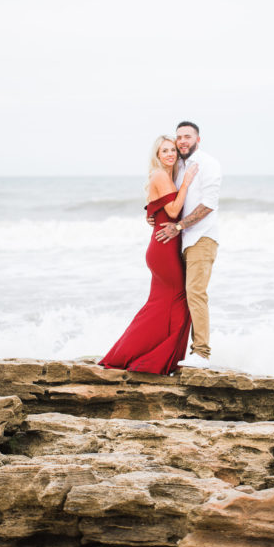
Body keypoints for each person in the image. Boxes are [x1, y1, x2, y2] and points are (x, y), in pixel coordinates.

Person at [99, 135, 198, 373]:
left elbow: (157, 208)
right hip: (163, 248)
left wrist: (152, 214)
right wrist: (186, 183)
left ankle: (155, 357)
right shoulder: (161, 175)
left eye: (173, 150)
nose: (170, 154)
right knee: (177, 302)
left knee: (165, 304)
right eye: (164, 150)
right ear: (157, 155)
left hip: (164, 246)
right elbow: (173, 211)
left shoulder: (166, 176)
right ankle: (137, 356)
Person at [154, 121, 221, 369]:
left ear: (198, 139)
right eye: (179, 137)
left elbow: (208, 204)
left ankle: (202, 353)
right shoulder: (178, 166)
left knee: (196, 293)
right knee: (180, 297)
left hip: (202, 237)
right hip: (180, 241)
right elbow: (170, 199)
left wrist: (179, 226)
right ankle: (177, 352)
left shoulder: (208, 165)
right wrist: (153, 213)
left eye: (187, 137)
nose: (182, 141)